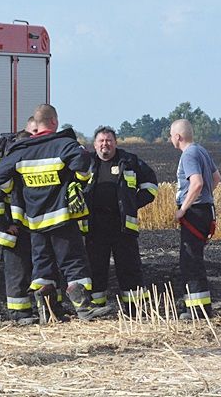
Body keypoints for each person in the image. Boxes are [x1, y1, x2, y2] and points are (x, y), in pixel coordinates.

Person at [0, 104, 113, 323]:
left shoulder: (22, 149)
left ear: (36, 125)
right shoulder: (64, 145)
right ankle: (84, 310)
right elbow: (83, 164)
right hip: (61, 219)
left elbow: (0, 174)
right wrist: (78, 181)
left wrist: (16, 187)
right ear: (54, 121)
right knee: (74, 263)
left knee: (42, 267)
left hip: (35, 223)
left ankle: (47, 313)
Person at [82, 126, 158, 314]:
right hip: (95, 227)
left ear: (115, 143)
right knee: (95, 269)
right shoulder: (87, 163)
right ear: (95, 145)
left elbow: (151, 187)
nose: (105, 144)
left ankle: (136, 310)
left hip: (123, 227)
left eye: (109, 140)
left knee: (129, 268)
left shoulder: (129, 161)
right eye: (101, 141)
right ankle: (97, 309)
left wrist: (132, 204)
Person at [0, 117, 39, 325]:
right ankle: (19, 314)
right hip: (12, 228)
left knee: (36, 269)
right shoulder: (8, 160)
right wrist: (5, 226)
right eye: (33, 132)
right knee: (17, 271)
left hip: (30, 226)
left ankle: (40, 310)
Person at [170, 119, 221, 319]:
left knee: (190, 260)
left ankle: (196, 310)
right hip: (205, 211)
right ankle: (201, 308)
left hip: (195, 213)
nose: (170, 139)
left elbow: (197, 183)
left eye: (171, 135)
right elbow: (216, 178)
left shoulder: (188, 154)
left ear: (178, 136)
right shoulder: (201, 151)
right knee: (194, 259)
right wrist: (205, 197)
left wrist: (183, 209)